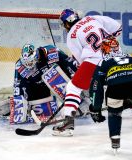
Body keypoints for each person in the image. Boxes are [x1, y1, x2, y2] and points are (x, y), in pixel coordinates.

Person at [52, 8, 123, 136]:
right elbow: (118, 28)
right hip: (116, 55)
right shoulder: (92, 18)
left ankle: (68, 122)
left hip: (94, 60)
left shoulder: (72, 34)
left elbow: (81, 60)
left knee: (73, 87)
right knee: (123, 80)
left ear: (67, 23)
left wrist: (85, 77)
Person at [0, 43, 78, 124]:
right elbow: (18, 86)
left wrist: (77, 81)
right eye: (25, 63)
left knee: (51, 74)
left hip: (59, 79)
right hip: (38, 87)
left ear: (36, 56)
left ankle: (74, 100)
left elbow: (69, 63)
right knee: (47, 112)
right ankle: (26, 107)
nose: (28, 65)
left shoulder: (51, 52)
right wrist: (19, 105)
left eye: (30, 62)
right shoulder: (20, 66)